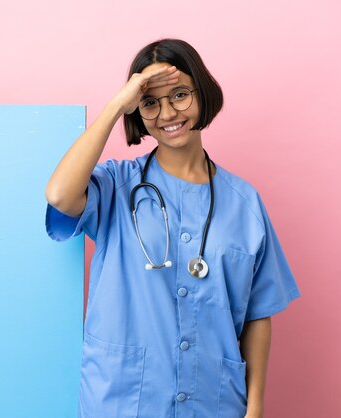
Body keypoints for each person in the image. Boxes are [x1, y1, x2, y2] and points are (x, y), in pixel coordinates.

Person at [43, 38, 301, 418]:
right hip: (124, 399)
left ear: (202, 93)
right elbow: (60, 196)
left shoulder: (244, 203)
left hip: (213, 400)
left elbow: (257, 315)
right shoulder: (117, 185)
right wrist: (117, 104)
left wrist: (255, 407)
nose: (167, 113)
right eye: (151, 102)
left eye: (180, 95)